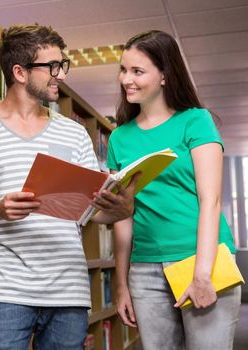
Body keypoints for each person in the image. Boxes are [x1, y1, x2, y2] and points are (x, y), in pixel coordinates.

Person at [0, 24, 138, 350]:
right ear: (19, 72)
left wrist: (120, 210)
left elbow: (91, 212)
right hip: (6, 291)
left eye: (62, 66)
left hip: (69, 292)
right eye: (52, 67)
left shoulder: (74, 134)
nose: (59, 75)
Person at [109, 30, 242, 350]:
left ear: (165, 75)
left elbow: (210, 201)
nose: (126, 79)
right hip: (144, 269)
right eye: (124, 69)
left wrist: (202, 273)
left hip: (201, 259)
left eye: (137, 71)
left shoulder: (195, 121)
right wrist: (120, 283)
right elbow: (122, 216)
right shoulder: (119, 138)